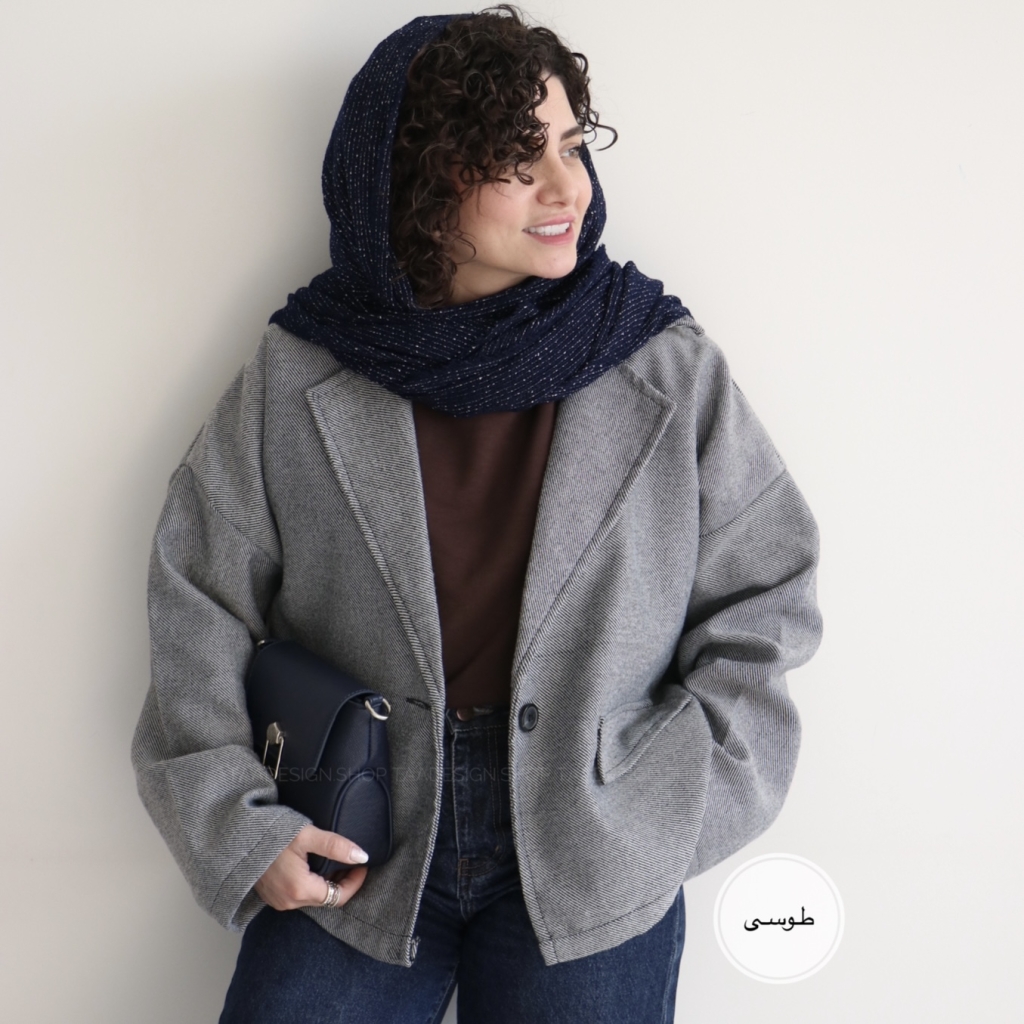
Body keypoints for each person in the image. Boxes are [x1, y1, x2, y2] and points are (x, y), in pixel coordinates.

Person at [132, 7, 822, 1023]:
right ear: (421, 182)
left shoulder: (659, 362)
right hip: (356, 834)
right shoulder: (304, 368)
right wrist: (241, 827)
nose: (566, 188)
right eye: (515, 158)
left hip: (593, 839)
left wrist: (670, 802)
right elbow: (197, 594)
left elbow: (769, 588)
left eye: (572, 146)